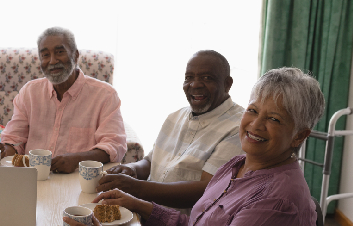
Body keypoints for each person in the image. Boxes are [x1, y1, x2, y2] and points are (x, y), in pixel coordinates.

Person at [61, 67, 322, 226]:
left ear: (299, 135)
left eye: (274, 119)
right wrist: (138, 205)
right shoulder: (238, 165)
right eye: (253, 111)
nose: (255, 124)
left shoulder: (279, 202)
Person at [97, 50, 244, 212]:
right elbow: (151, 162)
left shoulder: (238, 128)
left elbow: (206, 190)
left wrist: (136, 188)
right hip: (143, 213)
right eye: (189, 78)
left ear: (227, 84)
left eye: (207, 78)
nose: (195, 84)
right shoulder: (175, 116)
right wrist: (132, 169)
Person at [0, 27, 126, 173]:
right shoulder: (29, 92)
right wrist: (2, 150)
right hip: (33, 180)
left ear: (76, 55)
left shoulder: (105, 95)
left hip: (78, 180)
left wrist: (76, 160)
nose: (52, 61)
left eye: (60, 52)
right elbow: (15, 141)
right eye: (45, 55)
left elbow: (114, 145)